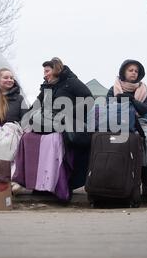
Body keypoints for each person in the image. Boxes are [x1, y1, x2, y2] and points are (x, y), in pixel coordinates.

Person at [13, 57, 93, 200]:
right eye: (44, 72)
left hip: (68, 125)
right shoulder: (46, 87)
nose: (45, 74)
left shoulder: (72, 82)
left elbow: (89, 99)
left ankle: (57, 183)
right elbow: (35, 106)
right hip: (49, 124)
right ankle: (39, 183)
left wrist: (67, 113)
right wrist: (23, 121)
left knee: (54, 140)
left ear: (56, 69)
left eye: (47, 71)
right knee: (27, 138)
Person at [106, 59, 147, 201]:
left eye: (136, 71)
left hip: (140, 122)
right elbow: (109, 108)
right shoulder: (114, 89)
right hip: (119, 123)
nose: (133, 73)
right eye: (130, 70)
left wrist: (131, 100)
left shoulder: (142, 89)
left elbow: (145, 109)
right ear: (124, 72)